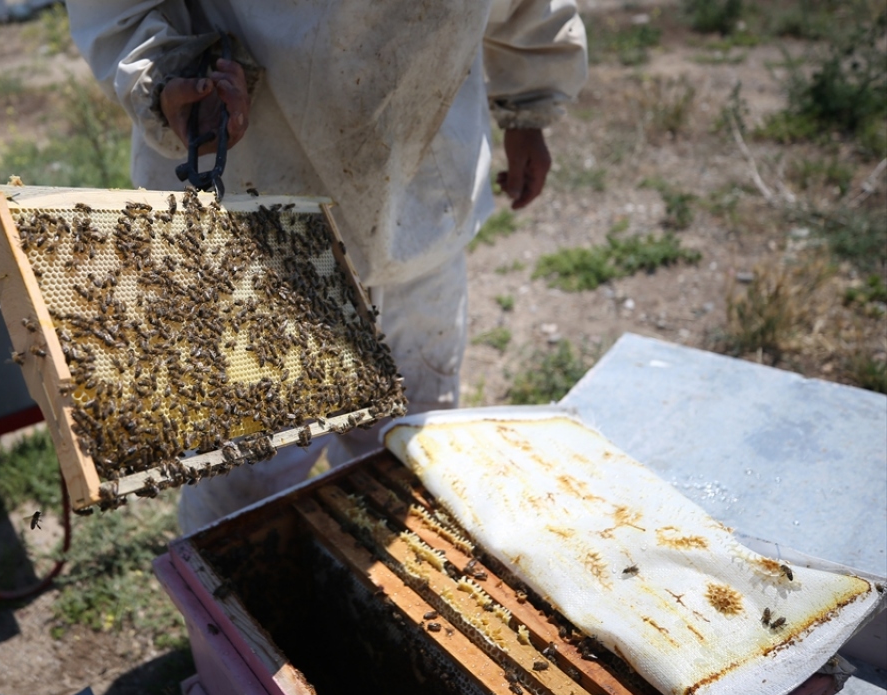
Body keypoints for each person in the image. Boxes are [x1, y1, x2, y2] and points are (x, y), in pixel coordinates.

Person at [65, 0, 588, 533]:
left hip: (419, 201)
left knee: (408, 457)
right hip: (256, 212)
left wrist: (528, 104)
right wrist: (171, 74)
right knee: (243, 491)